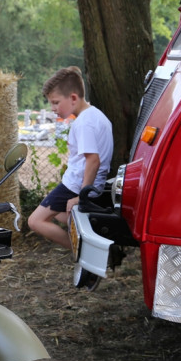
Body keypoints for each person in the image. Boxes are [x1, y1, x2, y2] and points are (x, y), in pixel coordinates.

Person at [27, 66, 113, 250]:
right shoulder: (97, 116)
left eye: (56, 102)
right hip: (78, 184)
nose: (53, 108)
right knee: (57, 212)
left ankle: (85, 250)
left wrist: (82, 196)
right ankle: (91, 240)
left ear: (73, 98)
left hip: (75, 186)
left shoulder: (84, 123)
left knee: (35, 221)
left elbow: (93, 160)